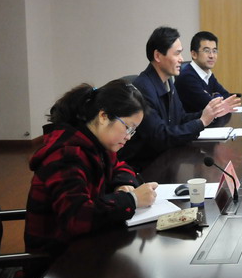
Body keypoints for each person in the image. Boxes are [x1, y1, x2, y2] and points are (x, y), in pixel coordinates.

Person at [25, 79, 159, 257]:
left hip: (84, 246)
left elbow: (120, 166)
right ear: (103, 116)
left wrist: (122, 185)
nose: (129, 137)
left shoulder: (97, 144)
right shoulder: (66, 155)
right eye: (128, 128)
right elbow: (77, 217)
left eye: (133, 131)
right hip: (55, 261)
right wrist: (132, 200)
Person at [118, 26, 240, 169]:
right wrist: (201, 122)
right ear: (158, 56)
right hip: (147, 167)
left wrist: (208, 114)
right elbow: (160, 137)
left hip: (167, 159)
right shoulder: (144, 88)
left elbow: (180, 118)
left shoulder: (168, 81)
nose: (181, 59)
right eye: (177, 54)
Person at [175, 31, 237, 122]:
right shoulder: (187, 77)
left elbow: (226, 96)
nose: (212, 56)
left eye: (214, 51)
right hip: (190, 127)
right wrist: (214, 98)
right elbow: (211, 107)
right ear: (194, 54)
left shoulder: (207, 74)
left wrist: (215, 97)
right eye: (207, 51)